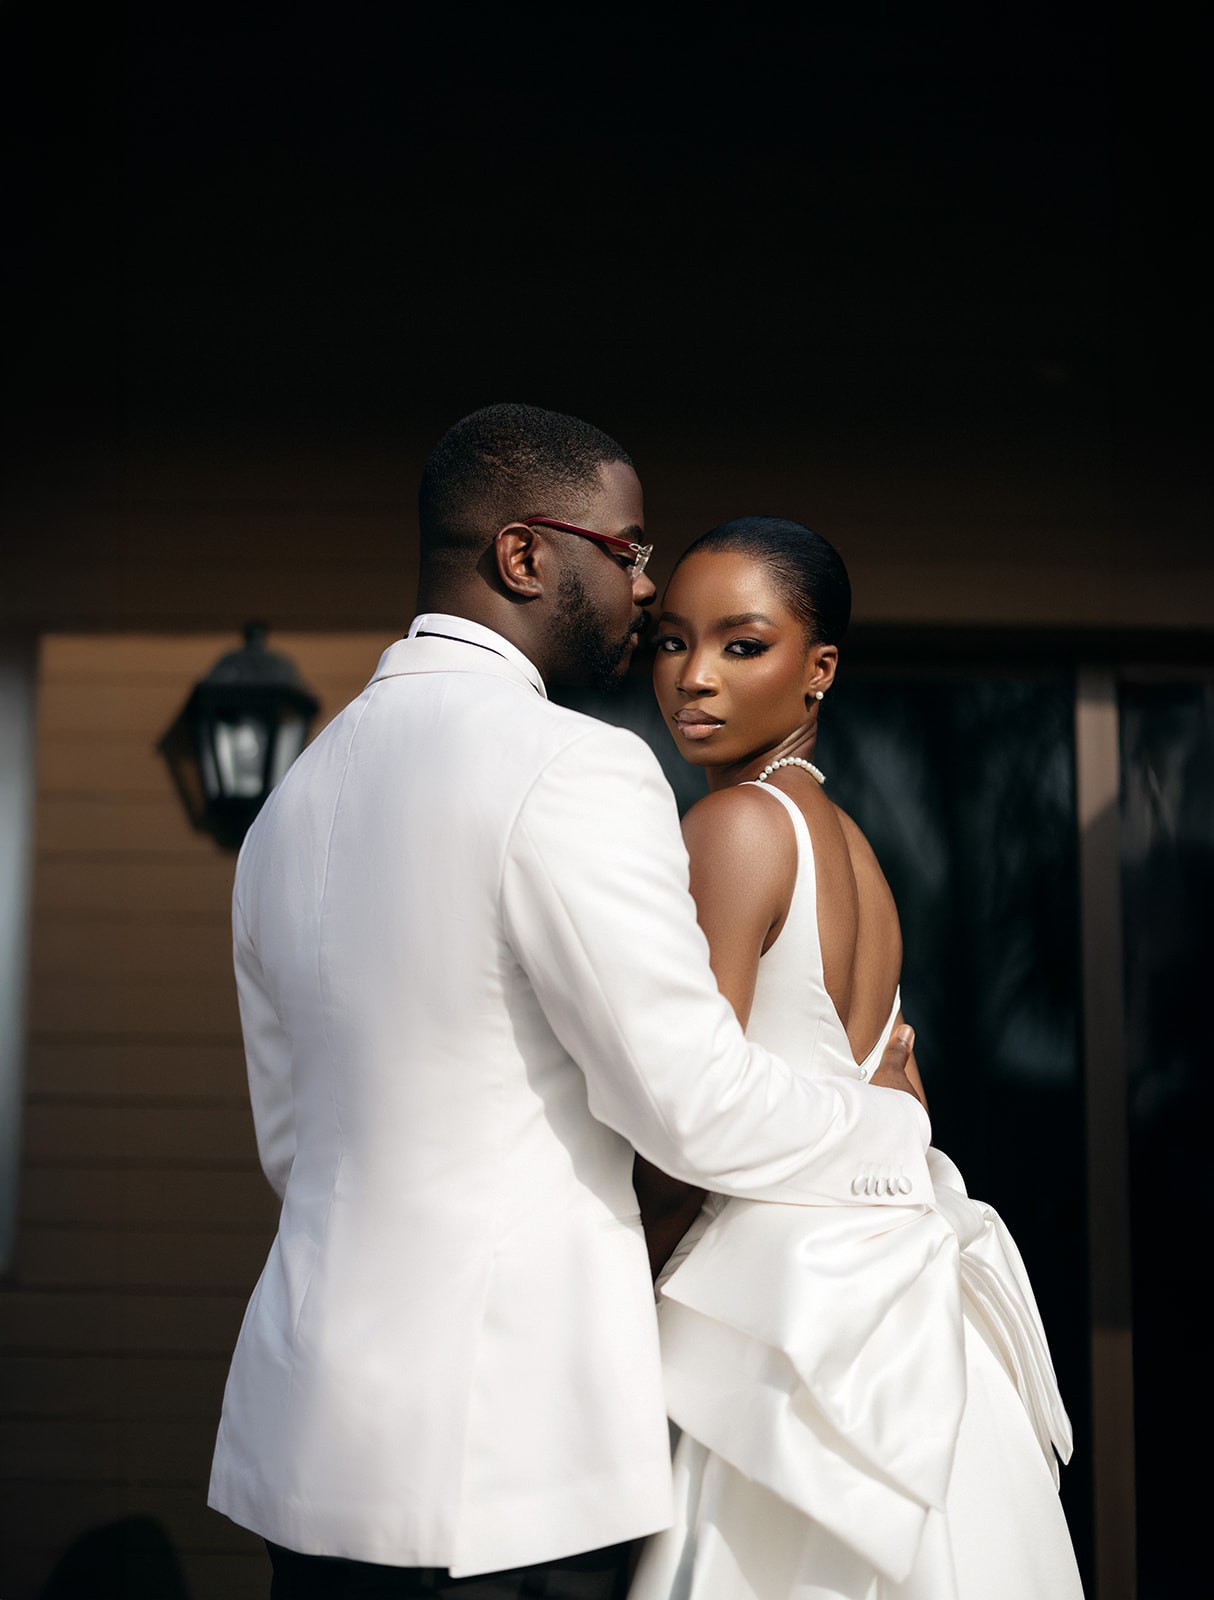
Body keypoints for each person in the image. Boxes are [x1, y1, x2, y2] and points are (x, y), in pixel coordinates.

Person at [206, 407, 934, 1600]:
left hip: (307, 1442)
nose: (645, 589)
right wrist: (886, 1124)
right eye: (629, 549)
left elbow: (291, 1145)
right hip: (504, 1457)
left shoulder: (293, 802)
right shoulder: (574, 768)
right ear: (526, 556)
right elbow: (688, 1102)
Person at [628, 516, 1084, 1600]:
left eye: (742, 645)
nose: (693, 677)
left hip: (793, 1322)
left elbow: (687, 1117)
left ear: (817, 667)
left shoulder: (732, 828)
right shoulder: (853, 846)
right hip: (896, 1299)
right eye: (668, 641)